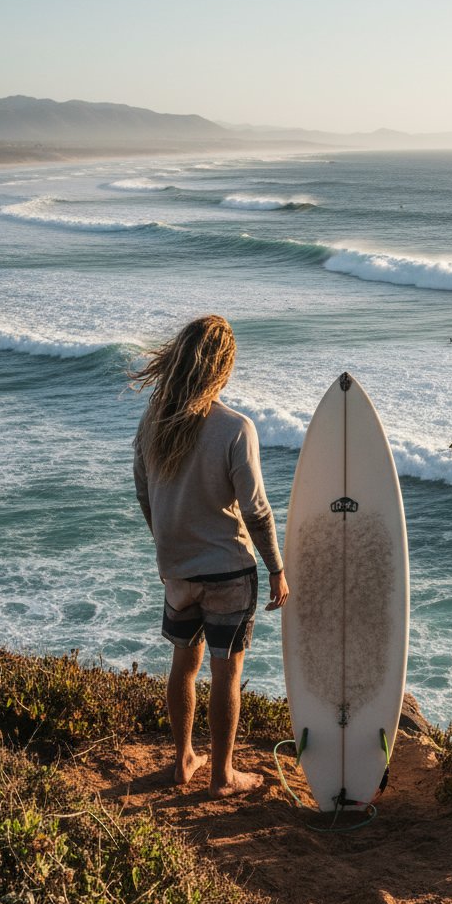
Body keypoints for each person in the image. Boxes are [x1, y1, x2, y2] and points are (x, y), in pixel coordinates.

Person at [129, 315, 289, 797]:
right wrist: (278, 568)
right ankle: (222, 775)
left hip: (177, 570)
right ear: (222, 367)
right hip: (228, 571)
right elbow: (257, 511)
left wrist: (168, 544)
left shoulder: (153, 422)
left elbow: (143, 493)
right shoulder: (235, 428)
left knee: (185, 663)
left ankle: (182, 762)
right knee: (227, 670)